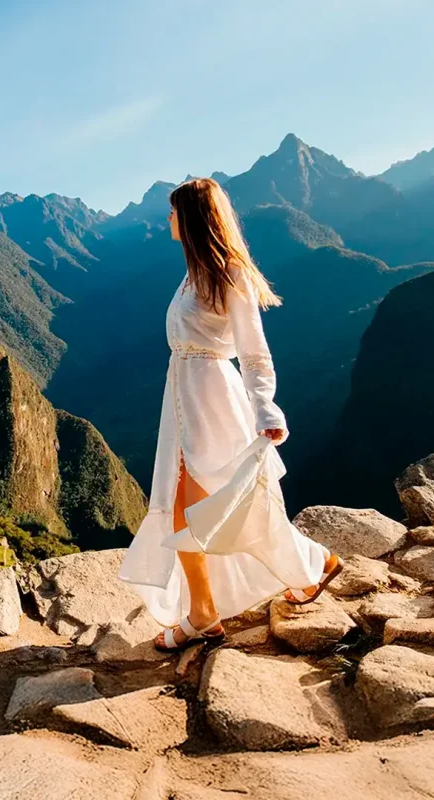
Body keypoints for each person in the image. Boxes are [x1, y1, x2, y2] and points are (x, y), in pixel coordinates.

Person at [117, 177, 343, 652]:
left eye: (174, 211)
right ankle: (220, 605)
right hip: (184, 398)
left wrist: (265, 407)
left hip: (213, 400)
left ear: (193, 218)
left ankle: (219, 607)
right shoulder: (193, 272)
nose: (168, 218)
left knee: (216, 506)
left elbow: (254, 352)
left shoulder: (229, 273)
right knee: (193, 507)